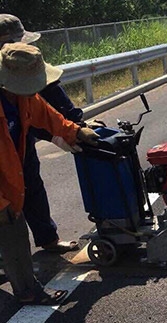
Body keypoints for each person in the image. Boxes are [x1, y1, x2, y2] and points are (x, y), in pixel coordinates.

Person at [0, 42, 99, 304]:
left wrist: (76, 132)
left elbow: (50, 117)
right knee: (12, 229)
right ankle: (27, 291)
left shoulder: (22, 97)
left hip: (7, 173)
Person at [0, 14, 84, 253]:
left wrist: (76, 129)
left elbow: (46, 112)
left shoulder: (20, 76)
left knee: (31, 184)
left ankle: (48, 239)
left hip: (17, 138)